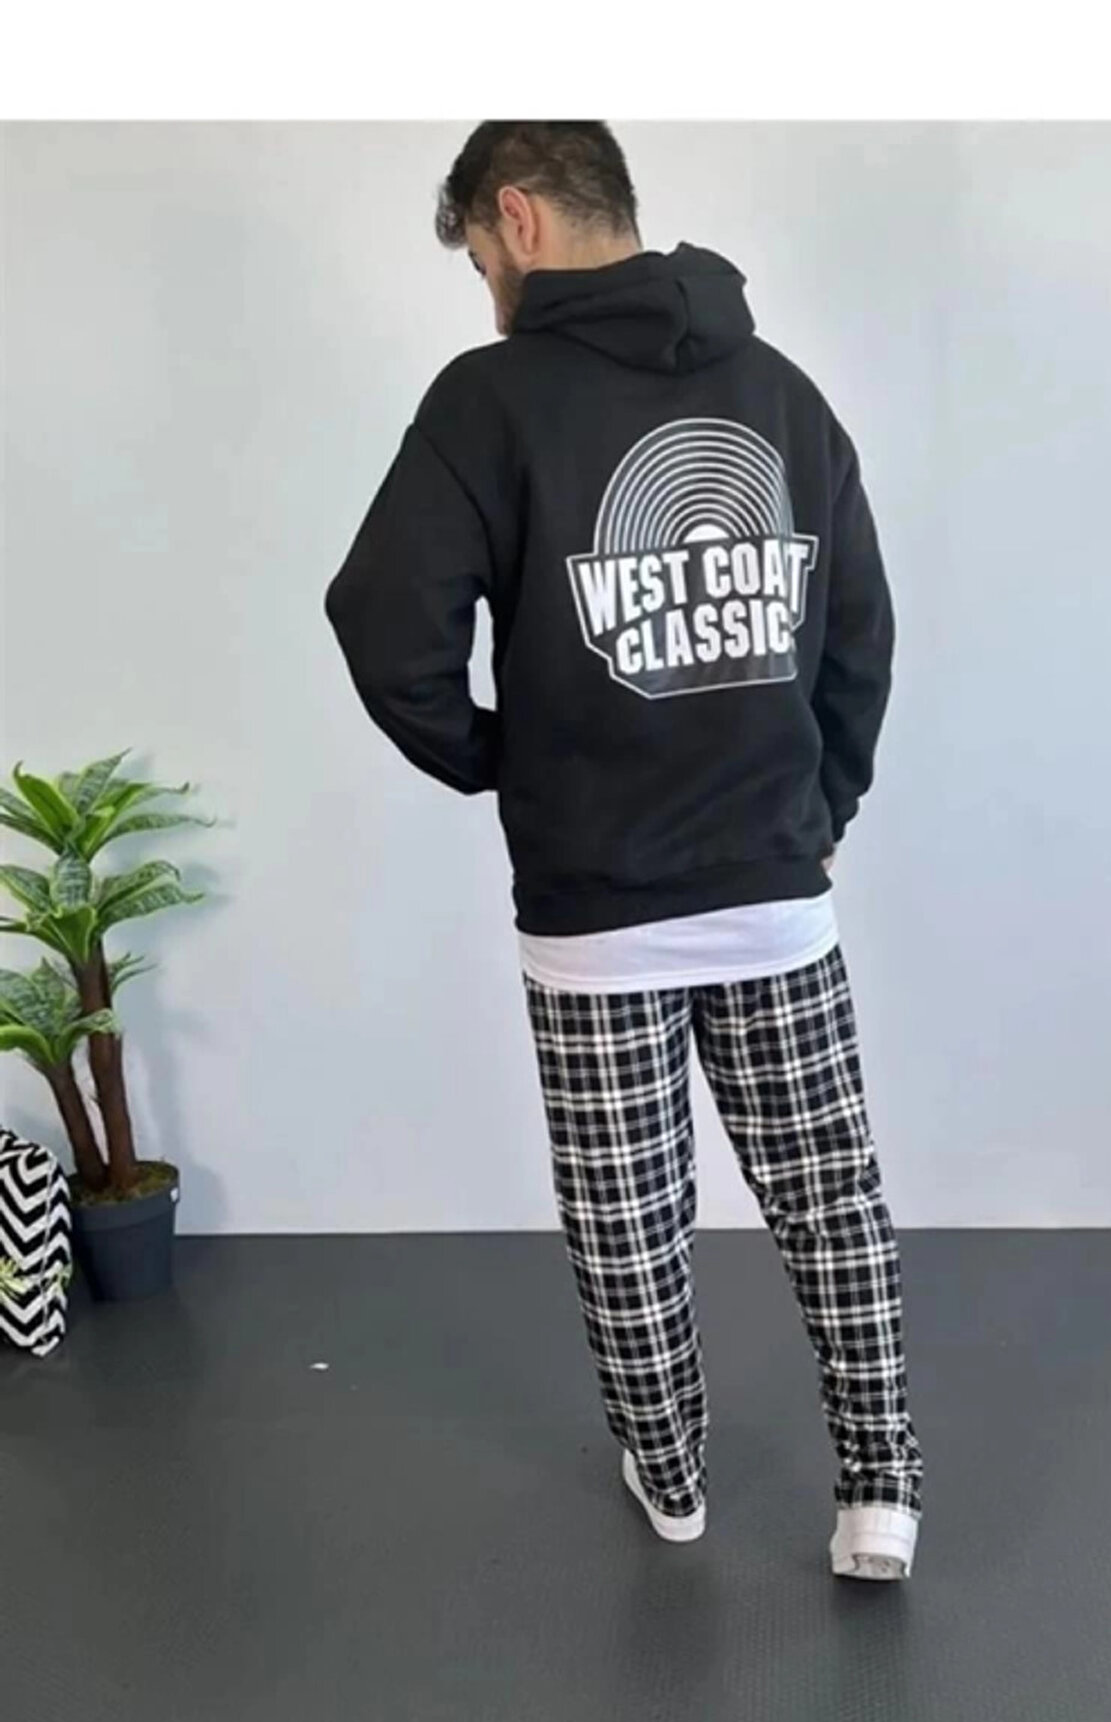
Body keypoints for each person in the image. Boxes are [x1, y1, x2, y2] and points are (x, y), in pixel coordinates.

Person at [325, 121, 924, 1581]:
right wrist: (817, 814)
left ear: (518, 218)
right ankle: (880, 1493)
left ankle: (673, 1481)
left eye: (481, 261)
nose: (489, 297)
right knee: (831, 1198)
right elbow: (861, 636)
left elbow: (383, 626)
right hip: (773, 897)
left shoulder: (488, 401)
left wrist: (506, 762)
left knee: (627, 1219)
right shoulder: (781, 393)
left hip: (593, 916)